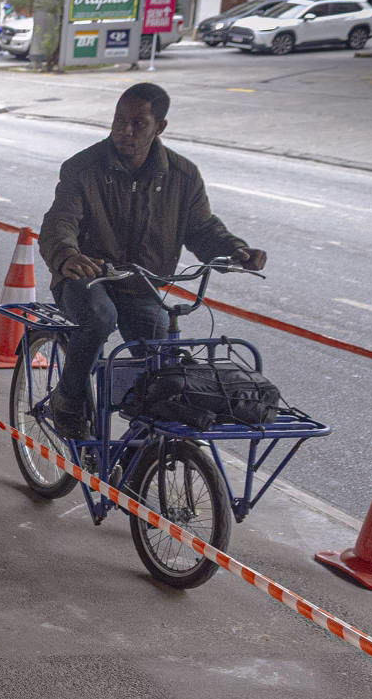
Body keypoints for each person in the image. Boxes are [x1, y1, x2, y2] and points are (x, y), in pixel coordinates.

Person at [38, 83, 268, 438]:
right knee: (100, 318)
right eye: (118, 120)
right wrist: (67, 256)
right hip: (86, 279)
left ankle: (143, 446)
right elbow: (60, 222)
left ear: (159, 127)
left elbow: (203, 228)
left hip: (141, 285)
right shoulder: (83, 168)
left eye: (137, 124)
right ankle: (67, 401)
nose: (124, 131)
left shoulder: (182, 176)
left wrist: (235, 251)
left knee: (162, 352)